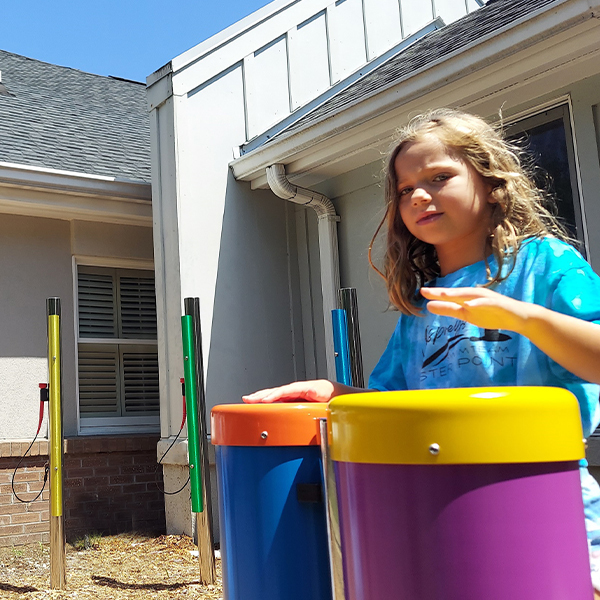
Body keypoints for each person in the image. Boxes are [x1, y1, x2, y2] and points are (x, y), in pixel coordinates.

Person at [242, 108, 600, 594]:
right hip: (434, 512)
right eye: (406, 189)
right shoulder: (422, 306)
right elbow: (394, 404)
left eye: (439, 177)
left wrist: (518, 317)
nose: (420, 196)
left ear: (492, 182)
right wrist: (335, 392)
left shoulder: (546, 263)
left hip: (542, 503)